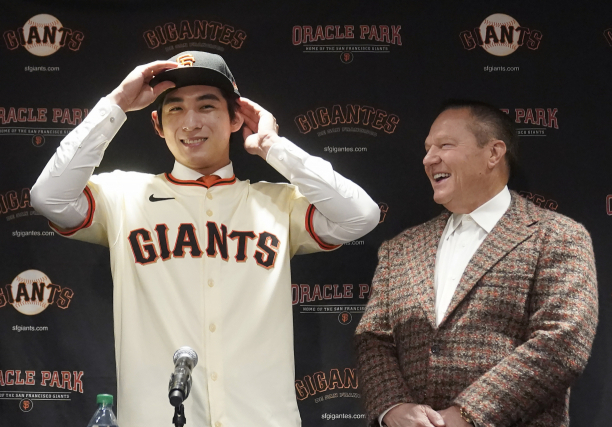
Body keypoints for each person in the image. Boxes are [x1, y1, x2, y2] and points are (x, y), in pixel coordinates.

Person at [30, 51, 380, 427]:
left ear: (235, 118)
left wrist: (273, 146)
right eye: (175, 108)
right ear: (157, 124)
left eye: (206, 106)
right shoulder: (123, 197)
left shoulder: (278, 203)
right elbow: (49, 197)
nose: (191, 122)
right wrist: (115, 105)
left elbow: (361, 215)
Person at [354, 100, 598, 427]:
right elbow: (373, 338)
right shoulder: (401, 248)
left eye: (445, 145)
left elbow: (562, 341)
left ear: (493, 153)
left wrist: (468, 414)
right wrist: (393, 407)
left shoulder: (557, 236)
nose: (429, 159)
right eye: (427, 149)